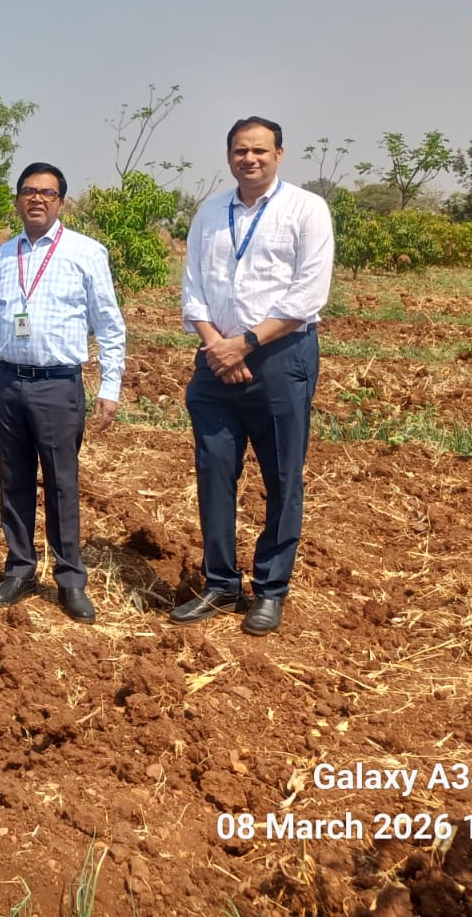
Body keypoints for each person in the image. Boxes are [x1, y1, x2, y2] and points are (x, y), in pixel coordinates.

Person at [172, 117, 334, 635]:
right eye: (241, 150)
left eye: (261, 150)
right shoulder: (210, 212)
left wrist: (246, 342)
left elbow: (307, 295)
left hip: (280, 360)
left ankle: (270, 589)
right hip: (215, 358)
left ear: (280, 155)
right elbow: (194, 288)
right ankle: (220, 581)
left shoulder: (306, 209)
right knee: (214, 472)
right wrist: (217, 346)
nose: (250, 159)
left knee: (282, 477)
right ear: (228, 156)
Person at [0, 162, 127, 623]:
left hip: (58, 384)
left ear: (61, 202)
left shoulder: (86, 252)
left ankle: (70, 578)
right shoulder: (0, 257)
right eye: (28, 191)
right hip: (8, 382)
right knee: (13, 479)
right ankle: (19, 568)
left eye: (47, 193)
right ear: (17, 200)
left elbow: (110, 326)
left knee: (60, 482)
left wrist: (109, 387)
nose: (37, 199)